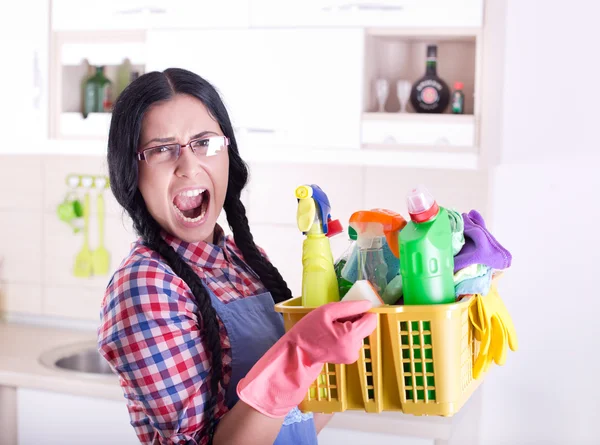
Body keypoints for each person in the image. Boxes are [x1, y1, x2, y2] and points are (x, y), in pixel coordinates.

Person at [97, 67, 377, 445]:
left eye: (204, 142)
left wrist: (376, 310)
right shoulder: (146, 286)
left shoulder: (243, 259)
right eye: (162, 149)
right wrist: (300, 353)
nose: (189, 165)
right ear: (132, 171)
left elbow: (296, 419)